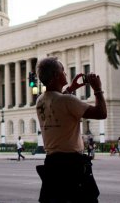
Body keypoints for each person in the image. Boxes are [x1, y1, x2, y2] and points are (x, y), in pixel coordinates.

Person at [35, 57, 107, 203]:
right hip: (72, 165)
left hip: (51, 163)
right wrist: (98, 89)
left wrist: (71, 89)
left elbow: (57, 99)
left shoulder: (40, 100)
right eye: (63, 71)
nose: (65, 74)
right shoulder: (68, 101)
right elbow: (101, 113)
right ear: (56, 75)